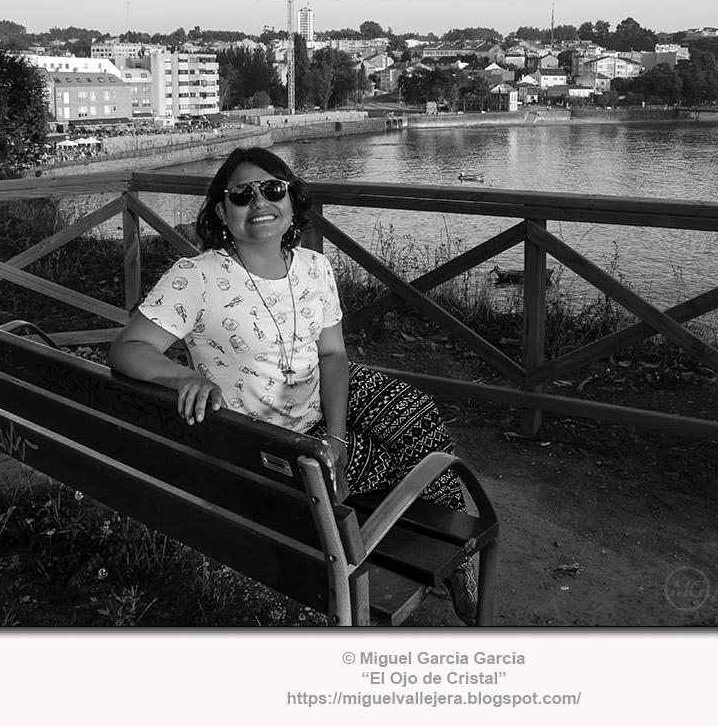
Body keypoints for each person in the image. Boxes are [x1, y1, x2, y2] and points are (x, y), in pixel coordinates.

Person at [109, 147, 477, 624]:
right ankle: (442, 550)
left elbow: (332, 354)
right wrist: (184, 375)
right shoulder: (197, 277)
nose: (259, 202)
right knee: (395, 465)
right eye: (242, 194)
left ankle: (455, 556)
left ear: (291, 201)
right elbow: (128, 349)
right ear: (223, 212)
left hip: (318, 398)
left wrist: (339, 436)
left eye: (272, 189)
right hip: (266, 441)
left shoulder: (313, 266)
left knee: (417, 421)